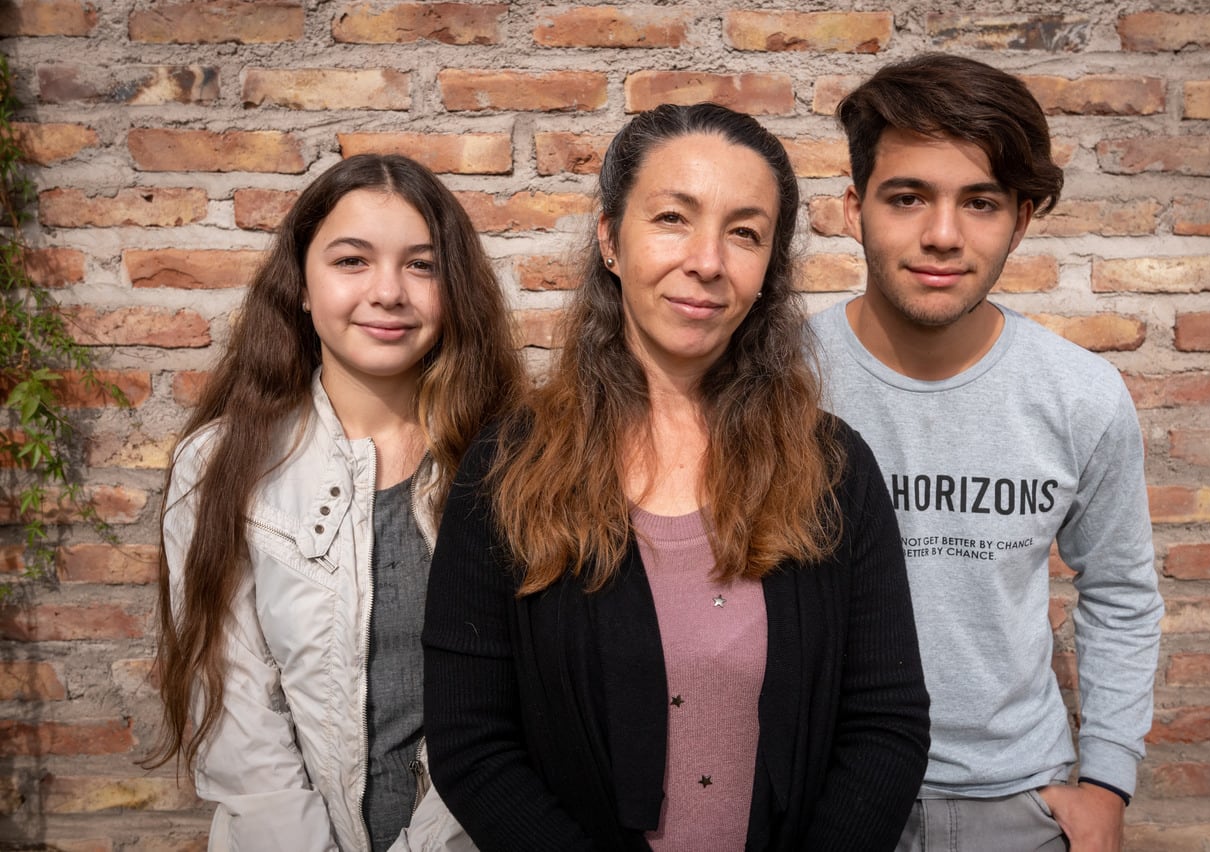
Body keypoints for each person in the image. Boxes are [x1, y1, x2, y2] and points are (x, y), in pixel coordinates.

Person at [420, 102, 930, 852]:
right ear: (610, 240)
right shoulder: (505, 469)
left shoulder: (835, 470)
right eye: (672, 218)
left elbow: (886, 724)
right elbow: (472, 745)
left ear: (769, 273)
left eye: (745, 233)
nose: (708, 260)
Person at [808, 54, 1164, 852]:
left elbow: (1121, 592)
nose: (942, 235)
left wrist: (1105, 784)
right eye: (907, 198)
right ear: (853, 207)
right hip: (825, 793)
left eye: (980, 202)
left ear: (1022, 219)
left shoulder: (1081, 394)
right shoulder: (781, 382)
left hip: (1016, 803)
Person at [150, 153, 522, 851]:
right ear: (300, 284)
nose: (389, 292)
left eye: (422, 265)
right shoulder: (219, 466)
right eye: (352, 261)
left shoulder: (515, 462)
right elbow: (234, 718)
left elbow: (521, 711)